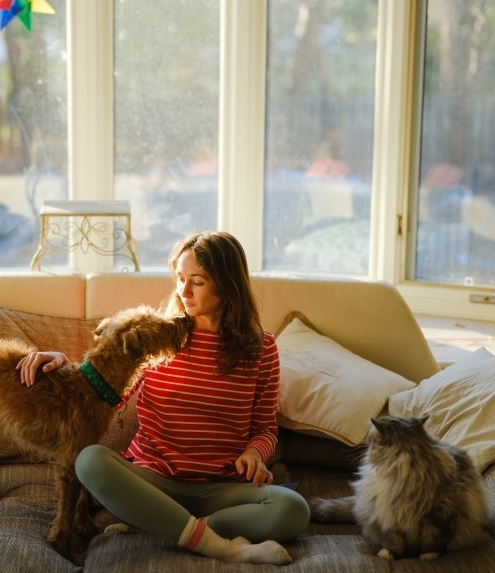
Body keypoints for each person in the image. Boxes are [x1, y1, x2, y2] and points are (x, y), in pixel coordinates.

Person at [16, 231, 309, 564]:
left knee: (293, 509)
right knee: (89, 461)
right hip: (152, 481)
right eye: (180, 279)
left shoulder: (262, 348)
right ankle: (217, 544)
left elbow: (266, 429)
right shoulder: (158, 336)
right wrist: (59, 360)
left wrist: (256, 453)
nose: (184, 292)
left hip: (222, 490)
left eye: (196, 281)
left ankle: (171, 526)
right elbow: (100, 380)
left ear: (228, 283)